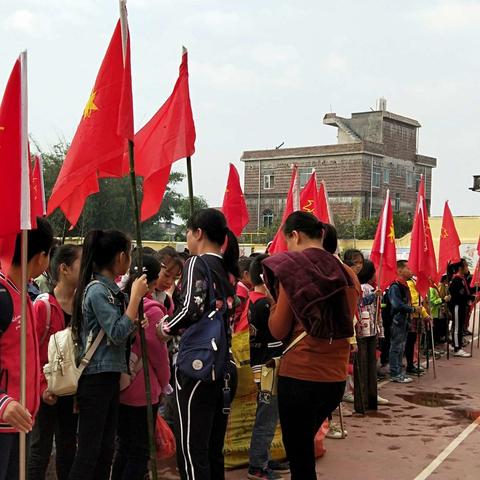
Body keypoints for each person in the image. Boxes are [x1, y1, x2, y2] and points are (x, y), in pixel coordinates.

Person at [264, 212, 359, 480]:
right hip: (335, 378)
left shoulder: (293, 268)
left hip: (300, 376)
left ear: (295, 235)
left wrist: (272, 303)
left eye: (287, 241)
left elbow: (278, 329)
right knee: (305, 451)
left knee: (300, 459)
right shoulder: (348, 273)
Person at [156, 208, 239, 480]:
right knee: (213, 450)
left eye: (188, 232)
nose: (187, 238)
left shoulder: (195, 263)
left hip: (197, 367)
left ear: (199, 233)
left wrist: (164, 328)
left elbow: (192, 307)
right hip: (224, 365)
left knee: (192, 451)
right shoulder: (228, 269)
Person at [68, 230, 149, 480]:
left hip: (109, 375)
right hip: (95, 377)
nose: (131, 259)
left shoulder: (111, 290)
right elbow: (115, 332)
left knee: (105, 450)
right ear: (120, 256)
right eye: (130, 252)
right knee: (90, 452)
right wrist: (135, 299)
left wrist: (135, 320)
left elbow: (123, 334)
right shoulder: (97, 291)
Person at [0, 217, 54, 480]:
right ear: (42, 257)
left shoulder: (24, 293)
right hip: (3, 421)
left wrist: (41, 387)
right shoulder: (2, 296)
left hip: (21, 420)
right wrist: (2, 403)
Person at [112, 254, 171, 480]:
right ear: (153, 281)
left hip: (119, 384)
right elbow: (158, 355)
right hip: (141, 390)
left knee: (124, 447)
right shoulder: (151, 310)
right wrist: (165, 383)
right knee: (139, 451)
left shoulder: (118, 301)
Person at [28, 245, 82, 480]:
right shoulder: (43, 306)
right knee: (39, 449)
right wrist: (41, 387)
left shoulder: (83, 306)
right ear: (64, 269)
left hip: (72, 391)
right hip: (47, 390)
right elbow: (31, 353)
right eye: (82, 263)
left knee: (68, 447)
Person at [246, 254, 285, 480]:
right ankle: (258, 465)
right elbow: (278, 331)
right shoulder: (264, 304)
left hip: (260, 363)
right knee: (267, 418)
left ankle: (263, 457)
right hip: (269, 367)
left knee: (266, 416)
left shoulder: (252, 300)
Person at [356, 260, 388, 409]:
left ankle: (372, 394)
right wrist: (373, 296)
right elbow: (360, 303)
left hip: (373, 329)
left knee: (372, 361)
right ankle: (363, 397)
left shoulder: (372, 288)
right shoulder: (362, 288)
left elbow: (377, 312)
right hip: (363, 330)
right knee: (363, 364)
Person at [388, 261, 422, 383]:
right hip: (397, 321)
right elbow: (396, 305)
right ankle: (394, 373)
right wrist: (412, 309)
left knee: (401, 347)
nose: (411, 270)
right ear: (399, 271)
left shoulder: (405, 285)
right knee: (396, 347)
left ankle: (399, 371)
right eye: (408, 268)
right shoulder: (395, 286)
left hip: (405, 320)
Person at [448, 259, 474, 357]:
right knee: (457, 328)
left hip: (463, 306)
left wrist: (477, 288)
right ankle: (457, 348)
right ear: (460, 268)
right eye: (466, 266)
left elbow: (468, 291)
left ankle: (456, 344)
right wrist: (471, 297)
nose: (467, 268)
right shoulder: (456, 280)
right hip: (457, 306)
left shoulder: (462, 279)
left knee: (460, 327)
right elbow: (458, 296)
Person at [406, 277, 430, 375]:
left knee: (416, 340)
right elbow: (415, 301)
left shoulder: (416, 281)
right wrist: (425, 314)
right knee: (412, 342)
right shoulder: (410, 282)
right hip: (414, 315)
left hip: (419, 315)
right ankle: (412, 362)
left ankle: (414, 362)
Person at [234, 256, 253, 331]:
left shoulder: (247, 288)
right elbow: (237, 320)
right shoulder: (240, 294)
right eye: (256, 272)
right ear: (246, 274)